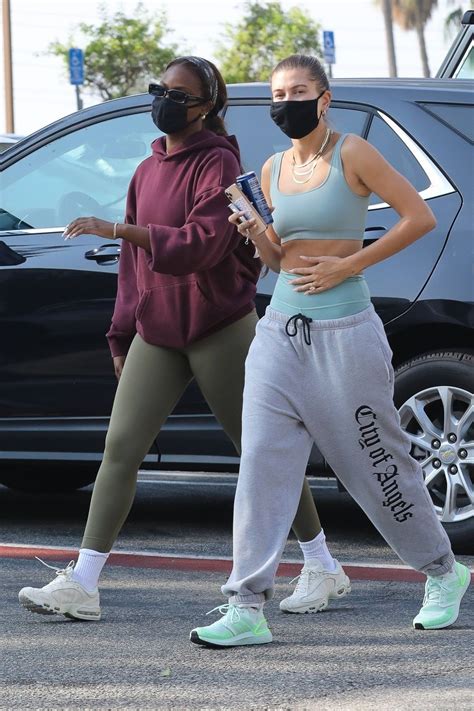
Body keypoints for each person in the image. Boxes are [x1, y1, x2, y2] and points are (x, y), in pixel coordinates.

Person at [17, 56, 343, 621]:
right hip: (158, 329)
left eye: (179, 94)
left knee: (263, 451)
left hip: (219, 324)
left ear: (206, 107)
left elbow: (199, 245)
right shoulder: (146, 171)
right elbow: (131, 268)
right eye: (159, 90)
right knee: (120, 450)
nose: (165, 101)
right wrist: (121, 334)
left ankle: (321, 564)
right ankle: (83, 583)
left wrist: (118, 227)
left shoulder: (219, 163)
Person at [190, 54, 471, 648]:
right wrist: (258, 236)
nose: (285, 101)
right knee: (262, 464)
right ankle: (246, 606)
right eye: (277, 92)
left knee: (376, 465)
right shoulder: (269, 169)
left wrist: (349, 262)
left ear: (323, 98)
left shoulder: (353, 154)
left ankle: (444, 572)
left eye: (297, 91)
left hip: (347, 333)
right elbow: (275, 260)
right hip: (280, 333)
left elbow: (417, 218)